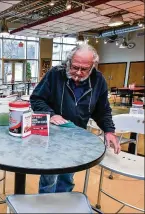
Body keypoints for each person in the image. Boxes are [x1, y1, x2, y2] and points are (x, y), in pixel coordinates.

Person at [30, 44, 120, 193]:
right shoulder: (55, 74)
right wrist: (52, 114)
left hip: (76, 136)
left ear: (92, 66)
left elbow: (102, 110)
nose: (78, 73)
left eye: (84, 69)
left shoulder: (99, 80)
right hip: (51, 136)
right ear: (68, 62)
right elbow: (36, 99)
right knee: (49, 178)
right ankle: (45, 204)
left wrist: (109, 130)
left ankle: (64, 202)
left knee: (67, 177)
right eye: (74, 67)